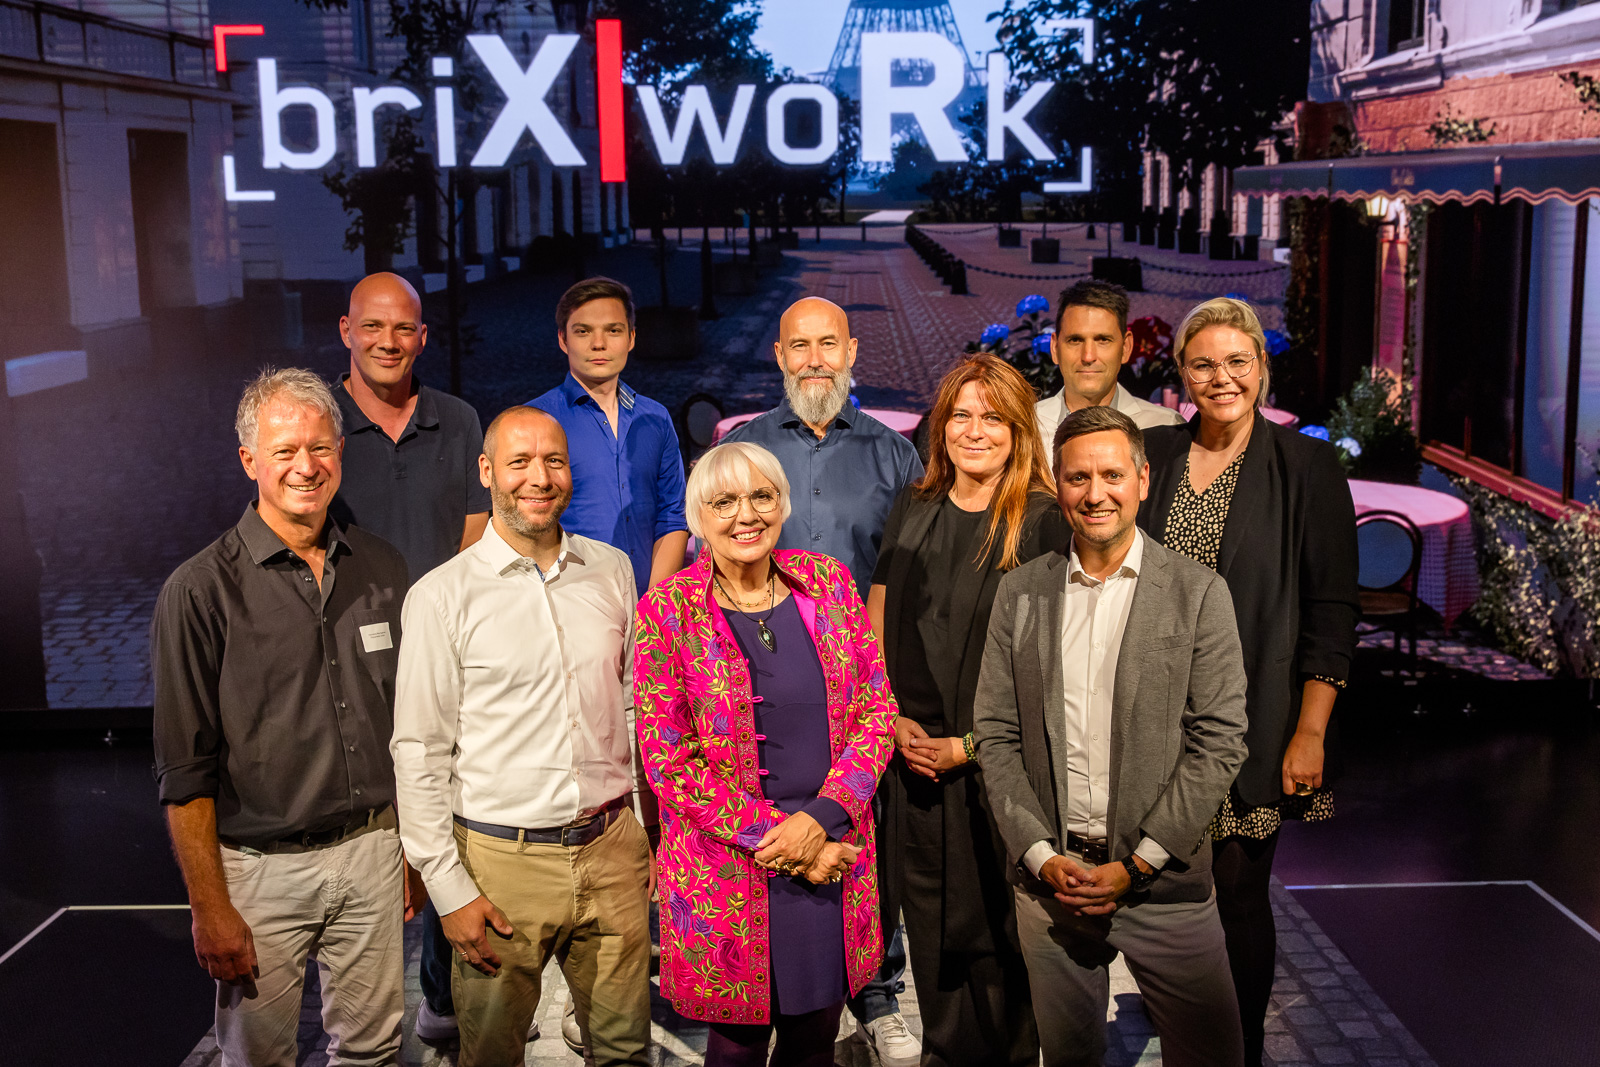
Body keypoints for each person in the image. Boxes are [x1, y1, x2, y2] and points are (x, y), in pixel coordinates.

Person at [974, 404, 1251, 1067]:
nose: (1094, 493)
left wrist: (1141, 862)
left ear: (1143, 479)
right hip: (1054, 889)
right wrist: (1041, 856)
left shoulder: (1198, 593)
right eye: (1077, 477)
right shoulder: (1021, 593)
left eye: (1110, 474)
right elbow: (996, 733)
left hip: (1165, 887)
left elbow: (1219, 741)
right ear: (1058, 484)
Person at [152, 368, 414, 1066]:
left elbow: (412, 729)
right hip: (260, 873)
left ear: (340, 451)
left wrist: (412, 853)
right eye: (285, 450)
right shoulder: (199, 591)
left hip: (373, 854)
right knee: (258, 1059)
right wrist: (210, 906)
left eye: (321, 447)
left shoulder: (384, 569)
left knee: (373, 1051)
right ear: (250, 461)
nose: (307, 465)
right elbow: (184, 769)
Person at [391, 406, 654, 1067]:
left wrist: (642, 829)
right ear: (487, 472)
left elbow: (629, 710)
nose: (538, 477)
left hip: (611, 849)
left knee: (624, 1054)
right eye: (519, 462)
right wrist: (448, 890)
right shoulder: (440, 596)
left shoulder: (613, 570)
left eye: (553, 461)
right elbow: (420, 750)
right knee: (492, 1056)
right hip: (500, 866)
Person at [1136, 297, 1359, 1067]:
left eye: (1238, 361)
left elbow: (1332, 609)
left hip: (1251, 720)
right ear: (1181, 374)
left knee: (1236, 897)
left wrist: (1310, 729)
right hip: (1150, 717)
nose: (1221, 377)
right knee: (1161, 896)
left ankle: (1237, 1053)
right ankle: (1183, 1038)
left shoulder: (1307, 466)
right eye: (1204, 363)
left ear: (1262, 368)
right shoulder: (1151, 452)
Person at [633, 441, 896, 1067]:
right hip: (730, 865)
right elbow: (669, 761)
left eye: (761, 497)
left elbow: (877, 712)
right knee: (736, 1051)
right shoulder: (667, 612)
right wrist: (785, 840)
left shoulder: (828, 581)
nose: (745, 514)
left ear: (781, 506)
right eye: (723, 502)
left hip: (833, 855)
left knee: (814, 1039)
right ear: (698, 517)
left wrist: (821, 821)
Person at [720, 296, 922, 1063]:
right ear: (777, 355)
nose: (813, 359)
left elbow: (903, 579)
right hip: (762, 689)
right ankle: (790, 989)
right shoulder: (744, 448)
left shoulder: (892, 454)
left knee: (863, 840)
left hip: (858, 690)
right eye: (798, 345)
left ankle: (875, 991)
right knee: (774, 835)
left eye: (827, 344)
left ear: (852, 351)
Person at [867, 354, 1069, 1067]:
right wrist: (885, 715)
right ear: (940, 423)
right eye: (960, 414)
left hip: (1002, 771)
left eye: (992, 417)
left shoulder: (1044, 522)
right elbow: (878, 613)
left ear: (1018, 429)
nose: (974, 431)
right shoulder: (915, 503)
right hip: (915, 763)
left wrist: (973, 746)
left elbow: (1057, 671)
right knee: (932, 930)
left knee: (1003, 943)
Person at [330, 270, 494, 1043]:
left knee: (448, 824)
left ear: (423, 337)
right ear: (346, 331)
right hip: (344, 663)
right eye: (373, 328)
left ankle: (443, 996)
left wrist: (443, 629)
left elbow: (473, 531)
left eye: (403, 330)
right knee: (366, 834)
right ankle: (356, 1010)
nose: (389, 342)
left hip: (445, 658)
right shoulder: (319, 425)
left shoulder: (458, 420)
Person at [530, 276, 689, 594]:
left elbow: (673, 514)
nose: (599, 344)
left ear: (631, 338)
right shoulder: (537, 422)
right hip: (571, 606)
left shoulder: (655, 418)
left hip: (650, 600)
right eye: (583, 331)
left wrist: (655, 608)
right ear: (563, 339)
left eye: (613, 330)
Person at [1035, 280, 1184, 469]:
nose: (1088, 356)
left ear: (1126, 347)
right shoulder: (1026, 428)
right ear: (1055, 348)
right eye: (1075, 340)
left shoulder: (1165, 427)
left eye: (1103, 340)